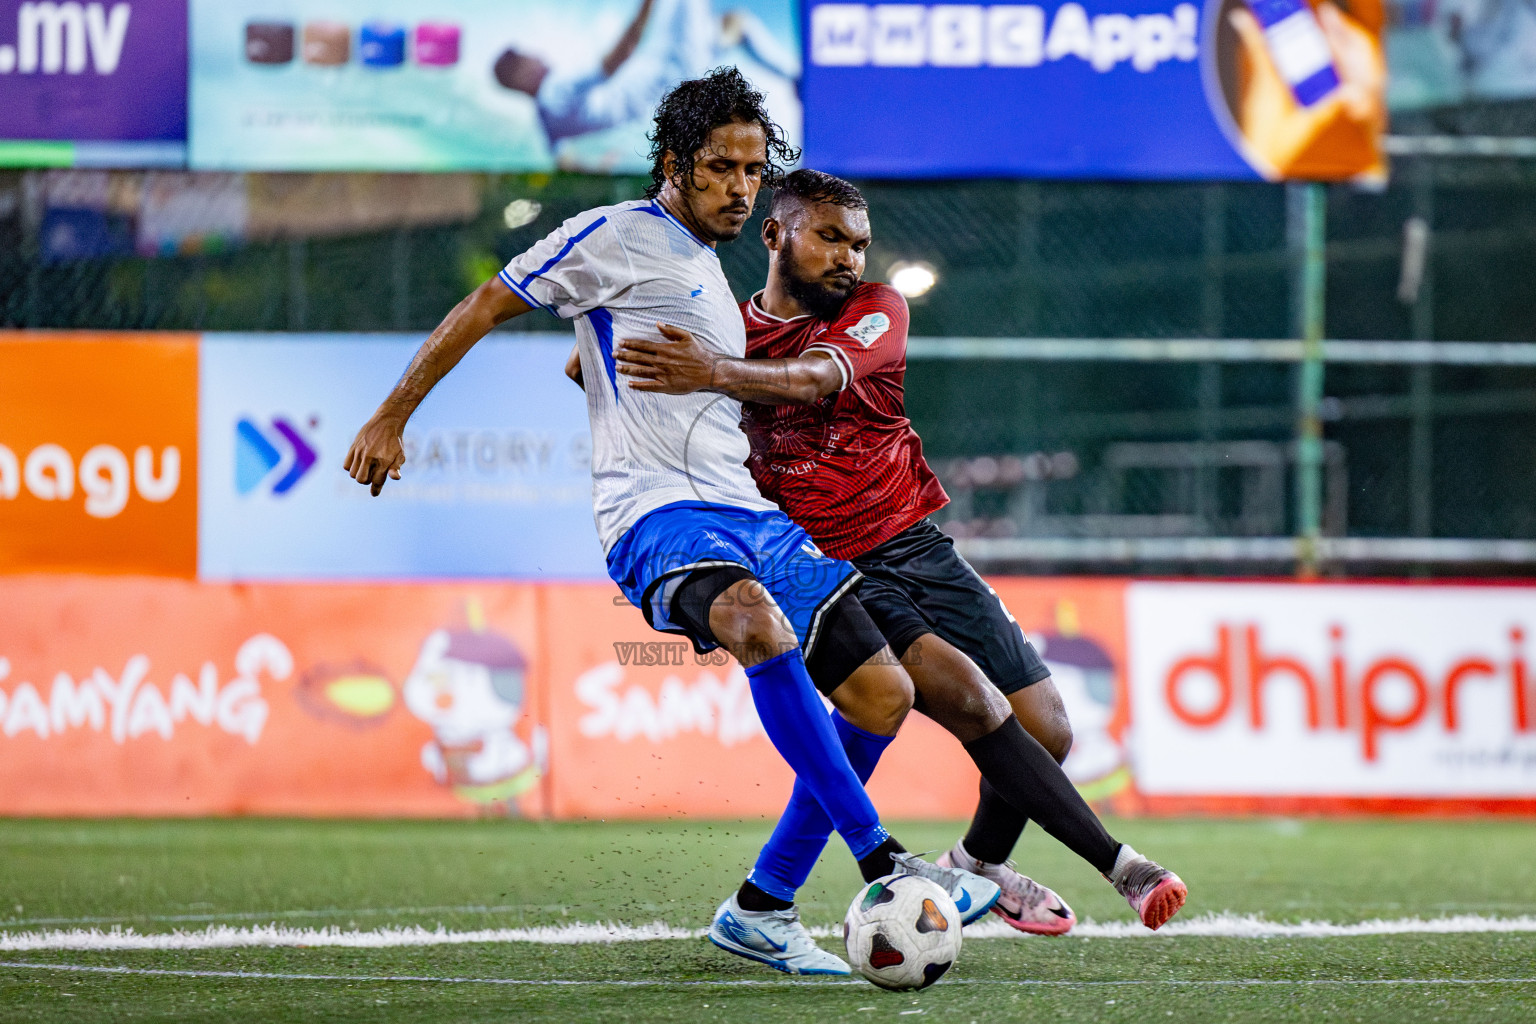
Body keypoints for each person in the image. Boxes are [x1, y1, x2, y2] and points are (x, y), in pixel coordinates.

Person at [343, 69, 997, 977]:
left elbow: (636, 356)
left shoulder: (708, 275)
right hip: (653, 515)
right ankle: (882, 858)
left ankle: (763, 907)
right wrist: (391, 415)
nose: (739, 187)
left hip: (747, 513)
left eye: (752, 172)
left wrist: (599, 368)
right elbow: (490, 301)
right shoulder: (614, 234)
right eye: (721, 168)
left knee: (883, 695)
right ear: (674, 165)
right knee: (757, 625)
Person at [609, 169, 1188, 964]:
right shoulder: (724, 330)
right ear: (775, 235)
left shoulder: (877, 311)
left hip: (917, 542)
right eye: (830, 238)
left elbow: (813, 381)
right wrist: (611, 355)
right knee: (956, 697)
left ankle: (975, 867)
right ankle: (1122, 867)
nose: (849, 257)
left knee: (1047, 727)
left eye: (859, 243)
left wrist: (710, 371)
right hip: (828, 562)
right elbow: (619, 366)